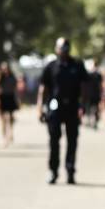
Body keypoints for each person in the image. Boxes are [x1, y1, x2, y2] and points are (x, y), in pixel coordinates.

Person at [37, 37, 89, 184]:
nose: (63, 51)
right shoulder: (51, 66)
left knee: (72, 141)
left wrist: (82, 106)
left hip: (72, 107)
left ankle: (70, 171)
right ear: (56, 49)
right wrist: (40, 108)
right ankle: (53, 171)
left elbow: (84, 87)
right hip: (55, 108)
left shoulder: (77, 65)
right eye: (61, 48)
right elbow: (43, 88)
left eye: (66, 48)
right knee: (54, 141)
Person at [0, 61, 19, 146]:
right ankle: (4, 137)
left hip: (11, 97)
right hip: (2, 98)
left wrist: (17, 99)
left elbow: (15, 89)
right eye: (3, 69)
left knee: (11, 117)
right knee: (3, 119)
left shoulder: (12, 78)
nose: (5, 70)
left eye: (6, 68)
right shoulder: (0, 78)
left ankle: (11, 132)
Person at [82, 59, 103, 129]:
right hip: (93, 94)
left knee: (91, 108)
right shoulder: (95, 74)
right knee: (93, 108)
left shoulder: (89, 74)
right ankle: (92, 121)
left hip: (91, 94)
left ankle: (91, 121)